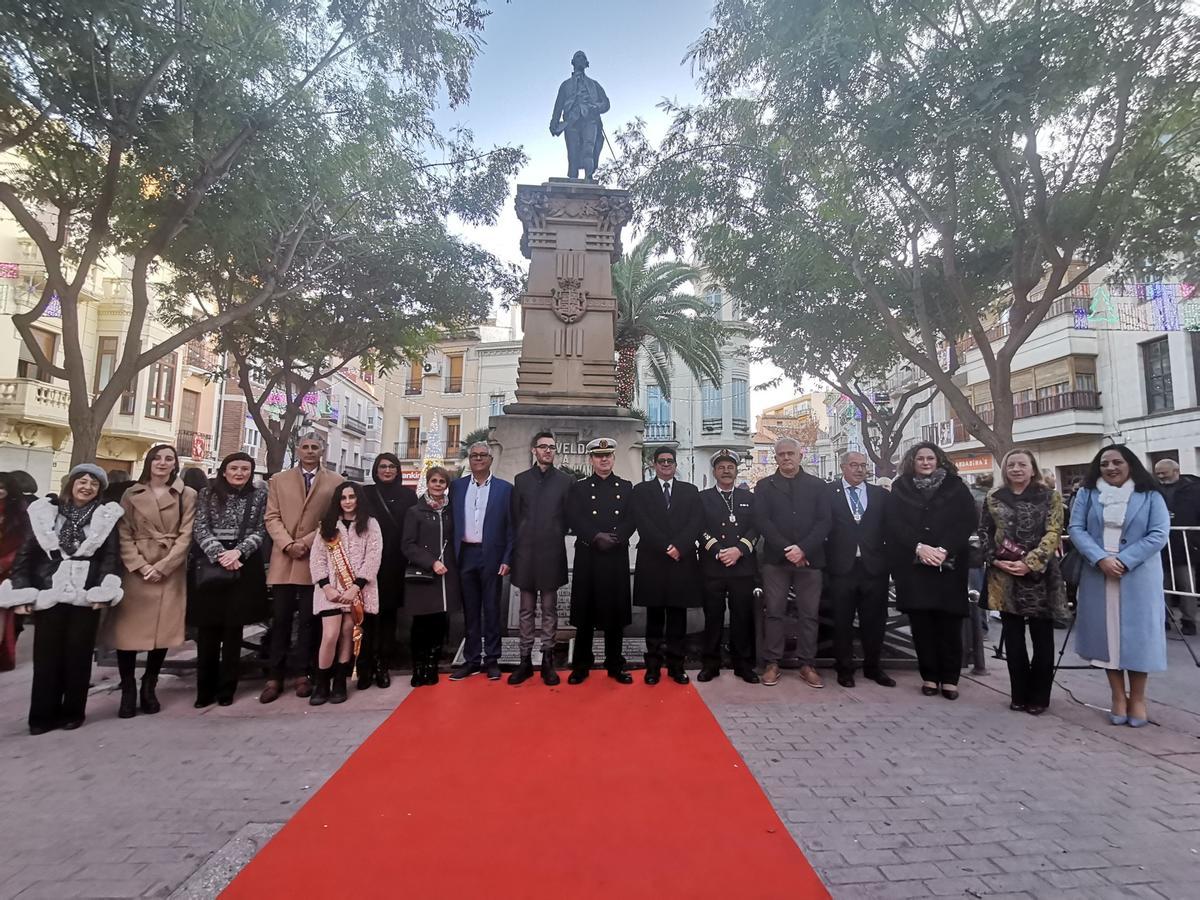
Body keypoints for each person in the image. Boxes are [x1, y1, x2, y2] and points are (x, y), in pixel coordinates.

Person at [0, 465, 124, 734]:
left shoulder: (105, 518)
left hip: (86, 594)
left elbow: (110, 558)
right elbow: (25, 555)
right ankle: (42, 716)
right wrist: (21, 592)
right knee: (46, 658)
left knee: (78, 657)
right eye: (82, 481)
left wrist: (104, 591)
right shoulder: (46, 514)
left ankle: (72, 712)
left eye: (94, 483)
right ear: (71, 483)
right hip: (49, 591)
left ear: (99, 490)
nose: (87, 486)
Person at [1069, 445, 1169, 727]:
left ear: (1130, 464)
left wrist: (1124, 560)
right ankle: (1116, 696)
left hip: (1137, 576)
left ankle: (1137, 697)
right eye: (1104, 464)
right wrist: (1100, 558)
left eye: (1117, 462)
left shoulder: (1150, 495)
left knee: (1138, 640)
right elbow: (1076, 528)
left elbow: (1159, 533)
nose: (1111, 468)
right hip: (1098, 573)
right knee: (1107, 638)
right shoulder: (1087, 494)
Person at [103, 445, 196, 718]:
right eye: (157, 458)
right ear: (149, 462)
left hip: (169, 569)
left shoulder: (186, 495)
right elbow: (123, 533)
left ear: (175, 464)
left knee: (162, 632)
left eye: (169, 459)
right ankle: (128, 687)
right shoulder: (131, 494)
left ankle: (149, 684)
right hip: (136, 571)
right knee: (127, 632)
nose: (162, 463)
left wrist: (164, 567)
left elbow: (186, 534)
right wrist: (140, 565)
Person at [885, 442, 977, 699]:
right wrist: (919, 547)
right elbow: (894, 523)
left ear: (938, 461)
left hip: (949, 565)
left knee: (949, 625)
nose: (925, 462)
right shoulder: (900, 488)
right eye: (920, 459)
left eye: (930, 458)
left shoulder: (956, 487)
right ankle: (929, 677)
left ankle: (950, 679)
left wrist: (944, 549)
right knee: (922, 626)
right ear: (912, 462)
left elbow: (967, 520)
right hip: (914, 567)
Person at [982, 449, 1066, 715]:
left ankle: (1040, 696)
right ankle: (1019, 693)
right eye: (1011, 465)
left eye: (1022, 464)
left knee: (1042, 638)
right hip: (1004, 575)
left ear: (1033, 469)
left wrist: (1030, 562)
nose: (1016, 469)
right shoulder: (993, 497)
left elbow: (1054, 531)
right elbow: (985, 531)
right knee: (1014, 639)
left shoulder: (1049, 496)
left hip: (1039, 576)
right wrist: (994, 559)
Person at [261, 433, 341, 703]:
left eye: (314, 447)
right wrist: (287, 544)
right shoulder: (279, 480)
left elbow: (333, 517)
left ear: (322, 451)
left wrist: (306, 542)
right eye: (305, 447)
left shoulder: (335, 481)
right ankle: (274, 676)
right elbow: (271, 516)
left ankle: (302, 673)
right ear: (297, 450)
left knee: (309, 621)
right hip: (285, 558)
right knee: (280, 620)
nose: (309, 451)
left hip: (313, 558)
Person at [189, 452, 269, 707]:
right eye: (234, 468)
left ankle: (227, 688)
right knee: (208, 630)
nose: (239, 473)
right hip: (212, 563)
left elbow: (261, 529)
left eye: (245, 469)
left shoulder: (258, 496)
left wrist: (239, 551)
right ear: (224, 470)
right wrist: (219, 553)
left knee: (234, 630)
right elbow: (200, 527)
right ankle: (204, 689)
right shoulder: (207, 494)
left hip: (243, 562)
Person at [754, 436, 833, 688]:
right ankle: (772, 663)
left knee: (809, 615)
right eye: (781, 454)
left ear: (801, 456)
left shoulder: (818, 485)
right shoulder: (765, 486)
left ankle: (807, 664)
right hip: (776, 561)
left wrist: (803, 549)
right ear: (775, 458)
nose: (786, 458)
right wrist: (789, 549)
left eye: (790, 453)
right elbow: (763, 521)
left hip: (810, 560)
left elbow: (825, 521)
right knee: (774, 613)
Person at [632, 445, 703, 684]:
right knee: (654, 617)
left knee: (677, 618)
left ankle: (676, 666)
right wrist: (665, 546)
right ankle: (652, 667)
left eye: (670, 461)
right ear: (654, 464)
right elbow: (643, 522)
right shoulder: (641, 491)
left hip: (680, 562)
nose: (665, 464)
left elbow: (695, 521)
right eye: (661, 461)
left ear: (675, 464)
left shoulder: (690, 491)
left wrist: (679, 547)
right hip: (653, 560)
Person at [566, 438, 634, 684]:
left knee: (615, 614)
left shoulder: (626, 487)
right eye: (598, 456)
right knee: (585, 614)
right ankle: (582, 665)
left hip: (615, 556)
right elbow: (574, 516)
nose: (603, 459)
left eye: (607, 455)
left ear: (613, 458)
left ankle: (615, 664)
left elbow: (631, 517)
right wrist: (595, 536)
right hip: (589, 555)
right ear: (591, 460)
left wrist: (617, 537)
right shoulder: (579, 488)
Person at [309, 482, 382, 705]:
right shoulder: (328, 526)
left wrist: (355, 587)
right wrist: (326, 586)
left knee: (348, 632)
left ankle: (340, 680)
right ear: (337, 501)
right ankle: (322, 681)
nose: (348, 501)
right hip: (330, 591)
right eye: (343, 498)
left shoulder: (370, 524)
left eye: (352, 497)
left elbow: (373, 557)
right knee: (330, 635)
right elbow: (317, 558)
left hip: (357, 591)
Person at [508, 431, 573, 686]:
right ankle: (525, 660)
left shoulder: (565, 481)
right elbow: (515, 517)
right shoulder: (521, 480)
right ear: (534, 450)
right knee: (525, 610)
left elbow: (568, 518)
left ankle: (547, 660)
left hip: (551, 553)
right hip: (526, 554)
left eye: (552, 447)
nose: (548, 451)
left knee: (549, 610)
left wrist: (555, 534)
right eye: (543, 446)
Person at [827, 452, 895, 689]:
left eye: (863, 466)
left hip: (873, 568)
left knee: (875, 621)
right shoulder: (829, 493)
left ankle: (873, 667)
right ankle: (844, 669)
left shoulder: (879, 495)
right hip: (842, 568)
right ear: (843, 467)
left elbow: (889, 529)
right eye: (854, 465)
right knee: (842, 621)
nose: (859, 470)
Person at [448, 442, 513, 681]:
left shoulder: (505, 489)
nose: (478, 459)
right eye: (474, 455)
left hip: (492, 556)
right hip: (465, 554)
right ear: (469, 459)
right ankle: (472, 659)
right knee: (471, 610)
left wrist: (508, 557)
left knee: (492, 609)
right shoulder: (457, 487)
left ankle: (493, 659)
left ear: (490, 459)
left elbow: (510, 527)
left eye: (482, 455)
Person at [697, 449, 759, 683]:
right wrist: (716, 550)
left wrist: (739, 550)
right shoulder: (703, 498)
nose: (726, 471)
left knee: (742, 617)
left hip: (741, 567)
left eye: (730, 467)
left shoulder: (749, 498)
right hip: (713, 567)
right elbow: (698, 527)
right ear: (714, 471)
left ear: (736, 470)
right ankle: (710, 664)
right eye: (721, 467)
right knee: (713, 617)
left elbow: (756, 528)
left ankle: (743, 665)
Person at [359, 453, 417, 689]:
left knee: (388, 618)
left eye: (392, 466)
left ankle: (383, 665)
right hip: (367, 563)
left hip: (395, 563)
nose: (387, 470)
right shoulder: (366, 494)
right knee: (366, 617)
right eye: (382, 466)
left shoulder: (408, 495)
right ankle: (364, 667)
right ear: (376, 469)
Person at [401, 467, 461, 687]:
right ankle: (418, 667)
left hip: (446, 576)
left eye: (442, 482)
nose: (438, 485)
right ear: (428, 483)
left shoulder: (451, 511)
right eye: (434, 481)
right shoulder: (415, 511)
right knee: (421, 623)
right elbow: (407, 544)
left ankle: (431, 665)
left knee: (438, 622)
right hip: (424, 575)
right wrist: (430, 562)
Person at [1153, 459, 1199, 635]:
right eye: (1157, 473)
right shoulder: (1154, 490)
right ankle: (1162, 617)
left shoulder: (1193, 489)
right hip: (1159, 547)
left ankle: (1189, 620)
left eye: (1164, 472)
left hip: (1185, 546)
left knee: (1187, 585)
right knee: (1160, 584)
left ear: (1176, 470)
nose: (1160, 476)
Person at [0, 473, 30, 671]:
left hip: (6, 572)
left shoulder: (19, 514)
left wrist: (5, 564)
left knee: (2, 615)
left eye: (1, 487)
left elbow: (23, 544)